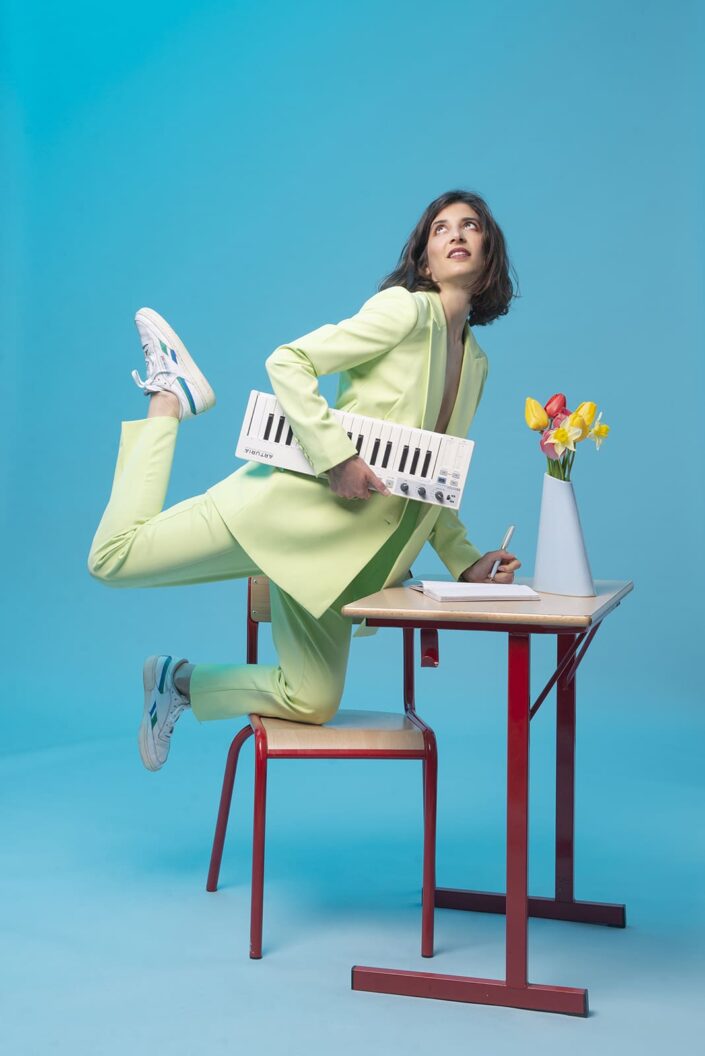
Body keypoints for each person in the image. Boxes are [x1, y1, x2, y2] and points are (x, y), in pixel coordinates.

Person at [87, 189, 522, 772]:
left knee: (312, 699)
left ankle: (178, 683)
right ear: (424, 260)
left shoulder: (475, 364)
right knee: (113, 558)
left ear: (489, 253)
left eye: (471, 226)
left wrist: (465, 562)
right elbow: (289, 361)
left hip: (338, 563)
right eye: (440, 229)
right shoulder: (403, 311)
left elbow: (427, 474)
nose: (456, 235)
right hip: (282, 510)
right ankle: (170, 395)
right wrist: (336, 458)